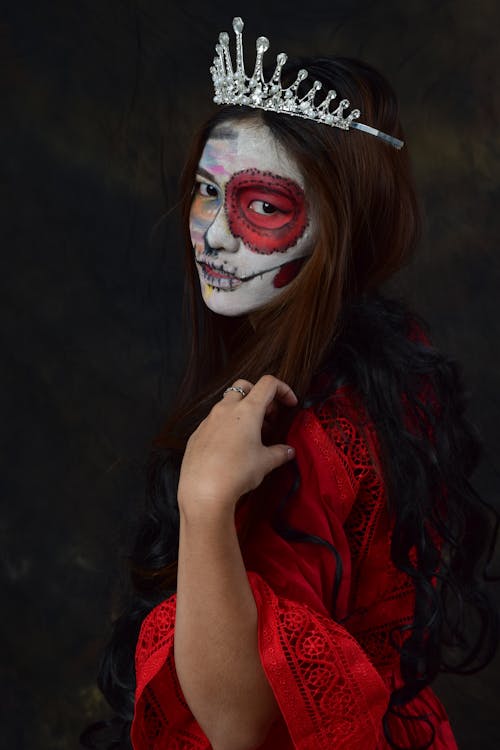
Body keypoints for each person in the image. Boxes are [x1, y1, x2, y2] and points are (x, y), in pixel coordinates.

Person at [92, 17, 498, 750]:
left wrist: (206, 502)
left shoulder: (309, 431)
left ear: (338, 230)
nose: (214, 234)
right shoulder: (385, 356)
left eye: (264, 206)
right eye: (206, 192)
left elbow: (238, 727)